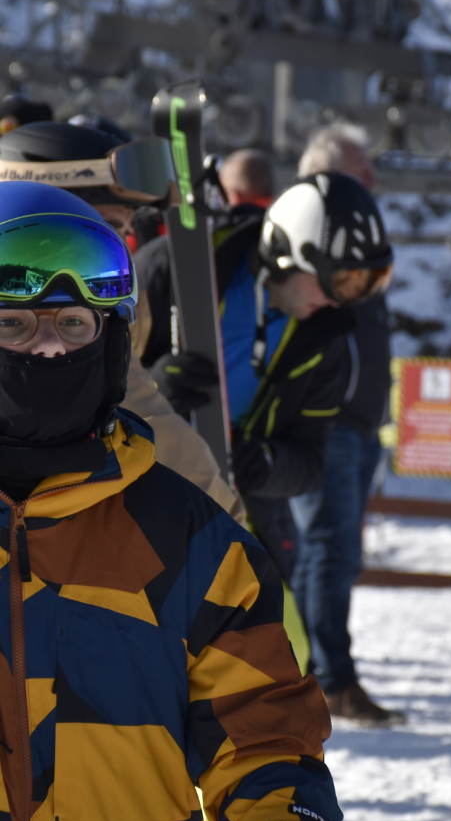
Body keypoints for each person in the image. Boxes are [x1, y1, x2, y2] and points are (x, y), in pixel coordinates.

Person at [0, 181, 355, 821]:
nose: (48, 347)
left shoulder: (188, 539)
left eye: (73, 324)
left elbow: (264, 735)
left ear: (110, 340)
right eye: (13, 326)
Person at [135, 171, 392, 635]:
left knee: (286, 648)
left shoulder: (323, 340)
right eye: (340, 282)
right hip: (137, 492)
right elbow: (85, 381)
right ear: (290, 253)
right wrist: (149, 392)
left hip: (238, 503)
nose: (341, 302)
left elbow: (310, 461)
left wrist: (258, 465)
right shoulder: (173, 270)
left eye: (361, 287)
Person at [0, 120, 248, 522]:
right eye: (111, 228)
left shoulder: (111, 298)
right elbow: (195, 485)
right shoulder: (77, 320)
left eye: (127, 232)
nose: (121, 249)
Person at [284, 126, 404, 725]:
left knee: (327, 552)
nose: (375, 182)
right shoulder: (307, 240)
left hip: (356, 424)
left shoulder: (358, 238)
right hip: (324, 422)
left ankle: (310, 673)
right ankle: (329, 679)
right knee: (330, 550)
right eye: (363, 172)